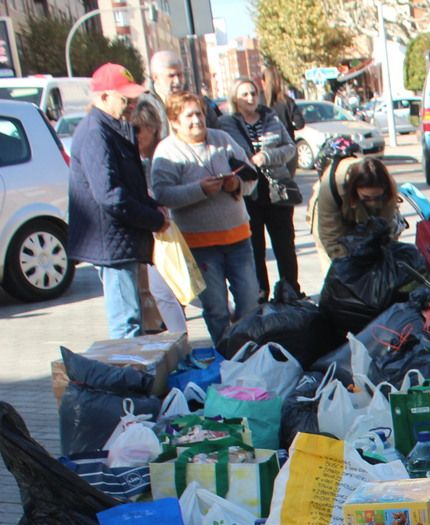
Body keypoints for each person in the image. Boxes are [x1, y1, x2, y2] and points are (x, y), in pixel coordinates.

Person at [67, 63, 168, 340]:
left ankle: (135, 376)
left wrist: (151, 206)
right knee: (127, 325)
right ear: (103, 97)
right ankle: (130, 380)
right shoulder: (95, 134)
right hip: (112, 245)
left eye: (134, 97)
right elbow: (110, 195)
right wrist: (154, 219)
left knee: (131, 320)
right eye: (126, 98)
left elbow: (129, 186)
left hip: (120, 241)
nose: (133, 104)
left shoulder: (111, 129)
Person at [151, 93, 260, 345]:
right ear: (174, 121)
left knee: (250, 300)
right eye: (189, 115)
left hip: (238, 237)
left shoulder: (222, 139)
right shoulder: (167, 151)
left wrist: (235, 184)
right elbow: (162, 194)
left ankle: (248, 348)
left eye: (199, 113)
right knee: (216, 307)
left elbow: (251, 178)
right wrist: (200, 189)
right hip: (200, 245)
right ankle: (225, 352)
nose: (197, 120)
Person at [221, 76, 300, 298]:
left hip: (277, 190)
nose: (250, 98)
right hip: (248, 194)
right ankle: (260, 292)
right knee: (255, 248)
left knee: (284, 245)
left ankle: (290, 290)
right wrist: (246, 162)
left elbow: (289, 148)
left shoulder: (271, 117)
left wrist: (266, 156)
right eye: (244, 94)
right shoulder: (226, 124)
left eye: (253, 93)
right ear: (235, 98)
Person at [128, 99, 190, 335]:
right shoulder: (135, 157)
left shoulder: (162, 154)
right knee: (166, 291)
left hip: (172, 229)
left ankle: (182, 340)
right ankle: (180, 339)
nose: (134, 136)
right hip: (156, 231)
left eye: (138, 129)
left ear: (152, 128)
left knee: (178, 288)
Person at [310, 151, 400, 265]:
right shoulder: (331, 185)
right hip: (333, 215)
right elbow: (330, 238)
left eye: (377, 197)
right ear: (354, 189)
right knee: (337, 269)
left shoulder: (389, 187)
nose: (372, 203)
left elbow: (387, 228)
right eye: (367, 197)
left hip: (363, 217)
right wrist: (349, 268)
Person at [143, 49, 219, 141]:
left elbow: (217, 135)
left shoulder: (198, 102)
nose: (177, 81)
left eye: (180, 75)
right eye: (171, 76)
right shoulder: (144, 106)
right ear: (155, 77)